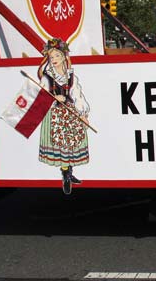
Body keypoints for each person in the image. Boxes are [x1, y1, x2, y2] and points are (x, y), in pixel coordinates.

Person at [37, 38, 90, 195]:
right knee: (62, 147)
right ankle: (65, 175)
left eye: (57, 57)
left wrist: (83, 113)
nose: (54, 60)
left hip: (70, 113)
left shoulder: (71, 77)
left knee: (72, 145)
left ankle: (69, 172)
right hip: (56, 115)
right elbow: (41, 95)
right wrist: (54, 98)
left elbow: (77, 94)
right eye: (51, 57)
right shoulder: (47, 77)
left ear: (64, 57)